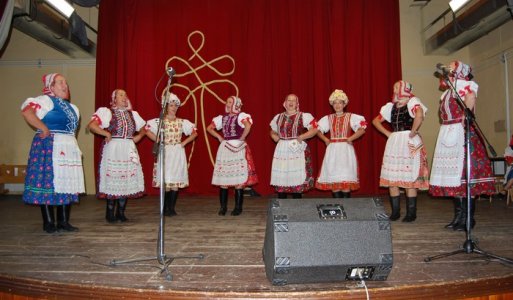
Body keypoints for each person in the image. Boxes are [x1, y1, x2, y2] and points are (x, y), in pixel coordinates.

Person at [429, 60, 495, 231]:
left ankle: (468, 219)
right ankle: (458, 217)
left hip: (461, 133)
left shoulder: (464, 85)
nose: (447, 71)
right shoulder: (448, 92)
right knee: (455, 179)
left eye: (451, 68)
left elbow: (471, 96)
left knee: (464, 178)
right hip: (449, 132)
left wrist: (465, 117)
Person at [21, 73, 85, 233]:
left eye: (66, 83)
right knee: (48, 182)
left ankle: (63, 221)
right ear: (51, 87)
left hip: (67, 146)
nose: (65, 86)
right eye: (60, 83)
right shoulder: (46, 101)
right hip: (50, 146)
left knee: (66, 182)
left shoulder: (74, 108)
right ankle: (48, 222)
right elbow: (27, 112)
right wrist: (43, 128)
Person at [372, 80, 429, 222]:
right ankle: (395, 212)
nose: (394, 89)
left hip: (409, 141)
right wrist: (387, 133)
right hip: (395, 141)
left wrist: (414, 131)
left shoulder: (412, 102)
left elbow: (420, 115)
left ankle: (411, 213)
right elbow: (375, 121)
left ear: (404, 88)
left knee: (409, 178)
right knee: (393, 179)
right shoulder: (391, 106)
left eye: (397, 86)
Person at [88, 89, 146, 223]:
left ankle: (121, 212)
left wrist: (139, 136)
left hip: (128, 148)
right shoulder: (108, 112)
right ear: (114, 99)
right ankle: (109, 213)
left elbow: (144, 128)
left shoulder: (133, 114)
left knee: (125, 178)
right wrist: (106, 134)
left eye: (125, 95)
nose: (124, 97)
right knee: (113, 178)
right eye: (120, 95)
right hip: (114, 148)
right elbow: (92, 125)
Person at [145, 93, 198, 216]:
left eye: (175, 106)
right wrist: (158, 140)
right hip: (165, 152)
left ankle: (172, 208)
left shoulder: (181, 122)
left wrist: (183, 143)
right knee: (166, 182)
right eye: (171, 105)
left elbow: (195, 132)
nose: (174, 108)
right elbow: (146, 129)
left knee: (175, 183)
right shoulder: (160, 121)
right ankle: (164, 208)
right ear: (166, 107)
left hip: (177, 152)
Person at [207, 96, 258, 216]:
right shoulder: (222, 118)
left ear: (236, 104)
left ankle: (238, 208)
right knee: (224, 180)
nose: (228, 104)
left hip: (237, 147)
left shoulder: (241, 116)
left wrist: (242, 138)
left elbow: (248, 126)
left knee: (238, 180)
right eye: (227, 102)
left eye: (230, 102)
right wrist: (219, 137)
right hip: (225, 148)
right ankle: (223, 207)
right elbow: (209, 128)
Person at [316, 89, 366, 198]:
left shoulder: (351, 117)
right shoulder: (328, 118)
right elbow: (317, 129)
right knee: (335, 182)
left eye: (340, 102)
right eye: (335, 102)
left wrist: (351, 138)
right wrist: (325, 139)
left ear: (344, 104)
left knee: (345, 180)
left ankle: (346, 208)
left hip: (345, 150)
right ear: (332, 104)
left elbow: (362, 128)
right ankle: (338, 209)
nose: (337, 105)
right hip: (333, 149)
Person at [270, 94, 318, 199]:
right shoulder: (278, 117)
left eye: (293, 101)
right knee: (282, 177)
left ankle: (296, 207)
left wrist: (302, 136)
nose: (291, 103)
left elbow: (315, 128)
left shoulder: (303, 116)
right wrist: (274, 135)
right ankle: (282, 206)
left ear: (297, 104)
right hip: (282, 148)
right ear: (285, 103)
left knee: (297, 177)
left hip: (296, 149)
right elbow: (273, 130)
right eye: (288, 100)